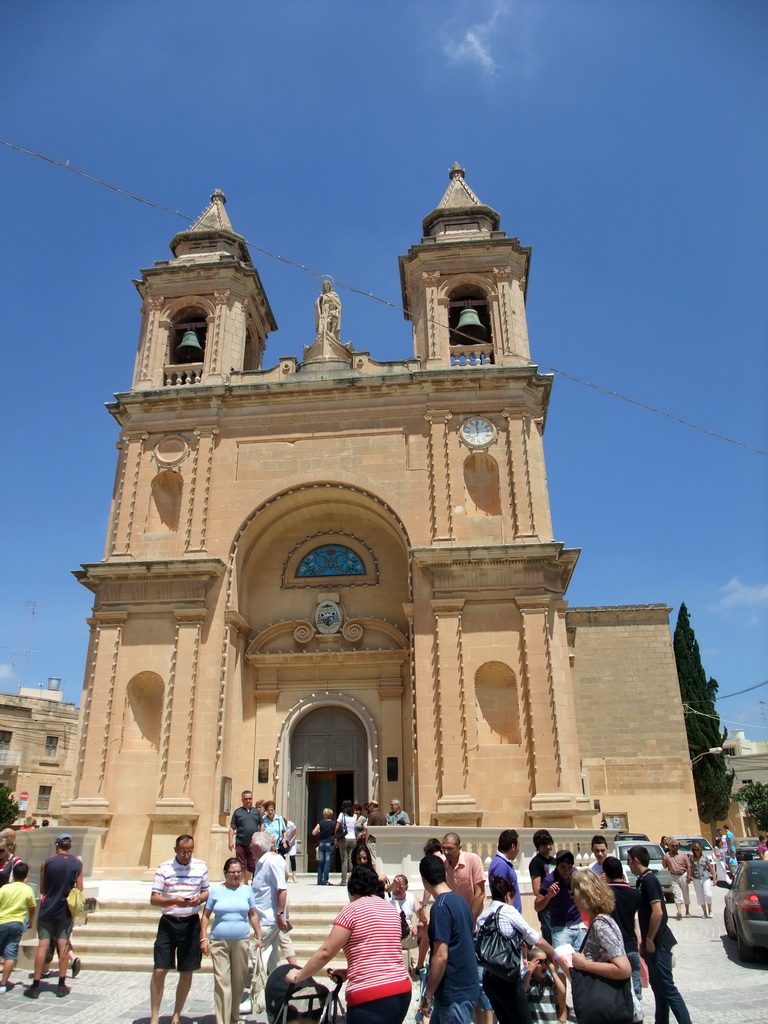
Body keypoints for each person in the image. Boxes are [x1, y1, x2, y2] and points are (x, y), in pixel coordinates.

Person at [285, 866, 411, 1024]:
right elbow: (382, 954)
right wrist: (349, 972)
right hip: (401, 990)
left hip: (370, 996)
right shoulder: (390, 910)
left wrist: (298, 975)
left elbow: (326, 952)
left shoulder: (351, 911)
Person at [477, 875, 558, 1024]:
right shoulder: (508, 910)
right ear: (508, 895)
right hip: (507, 978)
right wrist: (553, 952)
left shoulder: (483, 917)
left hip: (489, 978)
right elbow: (535, 938)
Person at [627, 845, 692, 1024]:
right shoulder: (643, 879)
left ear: (636, 860)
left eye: (629, 860)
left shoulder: (649, 880)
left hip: (659, 943)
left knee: (668, 989)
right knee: (659, 988)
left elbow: (658, 912)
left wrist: (649, 939)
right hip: (652, 943)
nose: (628, 864)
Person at [148, 834, 209, 1024]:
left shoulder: (201, 866)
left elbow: (206, 891)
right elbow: (154, 898)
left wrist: (198, 899)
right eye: (183, 852)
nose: (186, 855)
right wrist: (174, 901)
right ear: (175, 850)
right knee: (159, 969)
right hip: (168, 922)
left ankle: (176, 1015)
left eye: (190, 851)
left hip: (191, 922)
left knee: (187, 970)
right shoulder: (164, 868)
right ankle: (155, 1016)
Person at [569, 870, 637, 1022]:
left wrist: (584, 965)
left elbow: (623, 969)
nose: (571, 897)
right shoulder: (598, 922)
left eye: (573, 892)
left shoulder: (601, 925)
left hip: (609, 1009)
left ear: (584, 894)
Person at [419, 854, 480, 1024]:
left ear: (424, 881)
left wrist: (428, 994)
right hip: (466, 986)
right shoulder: (461, 903)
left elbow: (441, 956)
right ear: (445, 874)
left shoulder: (440, 908)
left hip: (454, 992)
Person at [200, 857, 262, 1024]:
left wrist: (259, 935)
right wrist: (203, 938)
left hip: (241, 940)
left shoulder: (247, 890)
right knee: (222, 982)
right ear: (225, 873)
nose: (236, 875)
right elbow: (205, 916)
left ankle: (234, 1017)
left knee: (239, 982)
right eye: (232, 872)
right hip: (219, 941)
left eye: (238, 872)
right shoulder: (216, 891)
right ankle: (222, 1020)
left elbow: (253, 914)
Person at [24, 832, 83, 1001]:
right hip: (64, 909)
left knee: (43, 944)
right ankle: (61, 984)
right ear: (70, 846)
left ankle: (35, 985)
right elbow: (79, 888)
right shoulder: (77, 864)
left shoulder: (46, 863)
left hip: (48, 907)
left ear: (57, 845)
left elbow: (42, 890)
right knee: (63, 945)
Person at [603, 855, 642, 1002]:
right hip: (631, 945)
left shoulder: (603, 896)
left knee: (617, 995)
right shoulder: (635, 894)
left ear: (605, 873)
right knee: (635, 996)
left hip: (612, 950)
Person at [534, 850, 586, 951]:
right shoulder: (549, 880)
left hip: (579, 925)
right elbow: (537, 906)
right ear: (557, 865)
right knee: (563, 964)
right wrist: (549, 896)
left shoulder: (576, 875)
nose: (566, 871)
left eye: (569, 867)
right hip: (560, 929)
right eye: (563, 867)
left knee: (583, 964)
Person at [0, 861, 36, 993]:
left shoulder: (4, 888)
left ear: (13, 875)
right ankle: (3, 984)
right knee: (10, 954)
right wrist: (31, 921)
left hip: (1, 921)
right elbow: (32, 908)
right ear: (26, 876)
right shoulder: (28, 890)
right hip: (17, 924)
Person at [441, 832, 485, 922]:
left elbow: (480, 893)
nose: (446, 852)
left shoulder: (473, 860)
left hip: (475, 921)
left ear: (459, 848)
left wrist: (469, 919)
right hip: (455, 921)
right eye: (443, 848)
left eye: (450, 849)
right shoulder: (442, 865)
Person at [387, 873, 424, 974]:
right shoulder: (387, 898)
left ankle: (419, 966)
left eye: (400, 887)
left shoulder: (411, 897)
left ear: (406, 888)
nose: (397, 890)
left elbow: (422, 918)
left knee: (426, 930)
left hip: (408, 935)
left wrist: (418, 926)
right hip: (391, 937)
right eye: (395, 887)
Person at [523, 945, 565, 1024]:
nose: (544, 965)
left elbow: (562, 991)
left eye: (545, 961)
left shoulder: (548, 981)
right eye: (540, 962)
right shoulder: (529, 981)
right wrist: (529, 971)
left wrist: (553, 972)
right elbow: (523, 990)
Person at [529, 829, 556, 944]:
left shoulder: (554, 861)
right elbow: (536, 889)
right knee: (549, 937)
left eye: (550, 844)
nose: (549, 847)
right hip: (546, 907)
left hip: (558, 906)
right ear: (538, 846)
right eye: (545, 845)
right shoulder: (536, 862)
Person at [228, 790, 262, 881]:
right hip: (241, 843)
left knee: (252, 864)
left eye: (250, 799)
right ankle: (242, 882)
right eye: (246, 799)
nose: (248, 801)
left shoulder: (256, 812)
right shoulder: (237, 812)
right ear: (242, 800)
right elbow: (232, 827)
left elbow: (262, 824)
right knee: (241, 864)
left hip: (253, 844)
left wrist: (261, 837)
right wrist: (230, 841)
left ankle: (247, 881)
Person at [488, 828, 522, 912]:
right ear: (513, 847)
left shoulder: (502, 863)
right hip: (508, 916)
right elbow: (501, 894)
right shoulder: (501, 865)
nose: (518, 849)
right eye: (518, 846)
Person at [662, 839, 691, 920]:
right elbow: (664, 866)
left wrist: (689, 876)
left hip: (683, 875)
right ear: (670, 846)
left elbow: (688, 866)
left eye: (676, 846)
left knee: (685, 894)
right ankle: (679, 911)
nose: (675, 847)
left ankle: (687, 911)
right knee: (677, 893)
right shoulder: (667, 855)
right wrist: (664, 860)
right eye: (673, 846)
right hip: (673, 876)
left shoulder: (682, 854)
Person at [688, 841, 716, 918]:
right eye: (694, 850)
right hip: (696, 878)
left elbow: (710, 868)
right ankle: (705, 912)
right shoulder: (692, 858)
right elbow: (691, 868)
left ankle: (710, 910)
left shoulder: (705, 857)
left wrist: (714, 877)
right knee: (700, 896)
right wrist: (689, 876)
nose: (696, 851)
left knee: (708, 894)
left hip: (705, 877)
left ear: (700, 849)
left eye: (697, 849)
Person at [336, 800, 358, 884]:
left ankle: (343, 880)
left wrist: (336, 838)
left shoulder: (342, 815)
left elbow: (337, 827)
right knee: (351, 859)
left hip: (344, 838)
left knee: (344, 860)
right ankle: (352, 879)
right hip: (353, 838)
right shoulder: (355, 816)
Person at [312, 807, 336, 886]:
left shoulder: (321, 823)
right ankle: (325, 880)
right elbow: (336, 832)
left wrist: (320, 831)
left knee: (321, 862)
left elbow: (313, 832)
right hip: (330, 843)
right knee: (327, 863)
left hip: (321, 844)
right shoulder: (333, 823)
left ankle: (319, 880)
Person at [282, 818, 298, 883]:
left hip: (292, 841)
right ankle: (284, 874)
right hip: (283, 842)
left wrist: (290, 842)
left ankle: (294, 875)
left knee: (292, 857)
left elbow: (295, 834)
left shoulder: (291, 824)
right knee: (282, 858)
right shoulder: (280, 825)